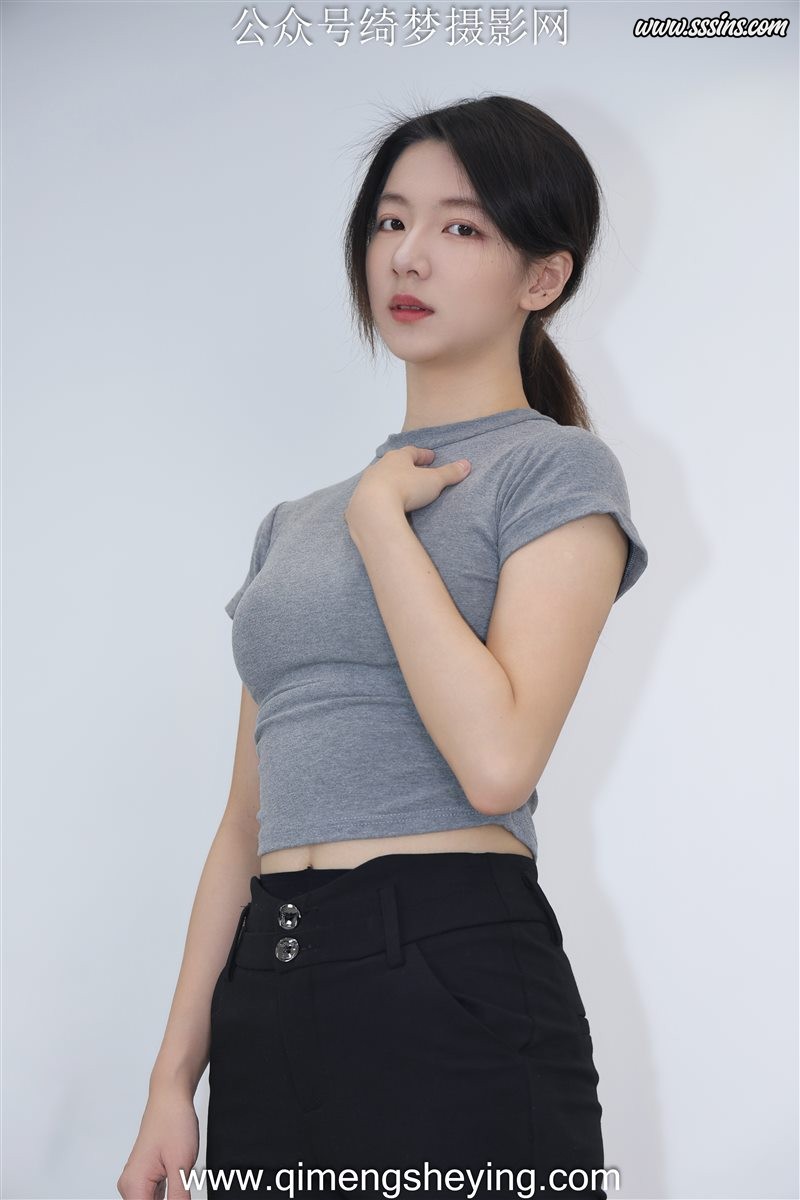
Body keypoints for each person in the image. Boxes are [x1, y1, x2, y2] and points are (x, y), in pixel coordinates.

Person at [117, 94, 648, 1200]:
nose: (408, 254)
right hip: (270, 984)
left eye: (461, 227)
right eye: (390, 221)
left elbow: (497, 764)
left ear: (542, 277)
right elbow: (243, 824)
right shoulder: (290, 524)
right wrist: (173, 1078)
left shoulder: (554, 473)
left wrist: (380, 524)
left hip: (451, 972)